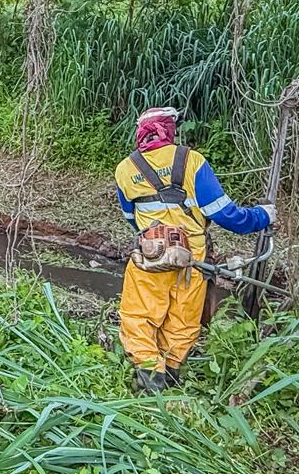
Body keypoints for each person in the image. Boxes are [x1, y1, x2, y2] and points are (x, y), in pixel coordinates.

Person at [113, 106, 273, 393]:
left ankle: (150, 380)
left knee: (139, 317)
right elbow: (226, 215)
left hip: (149, 256)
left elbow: (131, 217)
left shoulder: (126, 169)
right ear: (170, 131)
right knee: (183, 320)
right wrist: (263, 215)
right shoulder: (192, 161)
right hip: (192, 261)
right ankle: (170, 376)